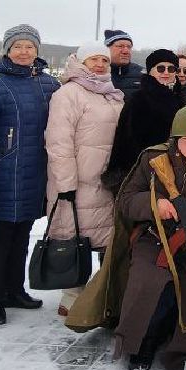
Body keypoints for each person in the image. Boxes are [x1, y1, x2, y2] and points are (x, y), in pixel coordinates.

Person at [66, 104, 186, 370]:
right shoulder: (153, 159)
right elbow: (125, 201)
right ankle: (143, 342)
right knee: (148, 284)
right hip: (156, 239)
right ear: (175, 139)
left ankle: (176, 340)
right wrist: (154, 204)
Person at [0, 23, 61, 326]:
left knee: (22, 233)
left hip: (35, 172)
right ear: (7, 50)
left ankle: (14, 290)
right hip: (3, 173)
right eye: (18, 47)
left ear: (38, 50)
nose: (24, 52)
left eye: (29, 47)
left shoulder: (49, 84)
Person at [45, 41, 125, 316]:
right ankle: (71, 295)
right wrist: (66, 184)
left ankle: (100, 293)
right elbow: (58, 142)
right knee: (72, 237)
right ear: (81, 62)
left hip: (105, 181)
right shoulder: (68, 94)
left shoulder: (111, 94)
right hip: (76, 183)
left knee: (104, 239)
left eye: (104, 60)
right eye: (94, 60)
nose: (100, 65)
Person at [107, 48, 186, 188]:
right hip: (146, 172)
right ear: (151, 71)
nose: (166, 72)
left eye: (171, 68)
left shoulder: (182, 99)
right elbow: (124, 140)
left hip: (179, 170)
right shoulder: (138, 100)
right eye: (160, 68)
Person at [104, 28, 143, 99]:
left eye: (129, 47)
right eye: (120, 46)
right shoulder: (95, 74)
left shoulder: (143, 74)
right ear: (107, 48)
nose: (126, 51)